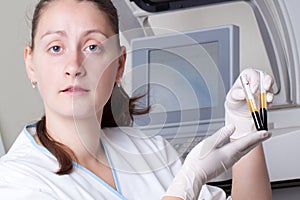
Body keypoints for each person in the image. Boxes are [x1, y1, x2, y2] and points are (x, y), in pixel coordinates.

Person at [0, 0, 273, 199]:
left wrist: (245, 132)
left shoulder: (149, 150)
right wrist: (183, 188)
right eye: (56, 47)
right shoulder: (16, 181)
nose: (74, 65)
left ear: (119, 65)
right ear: (31, 64)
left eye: (93, 47)